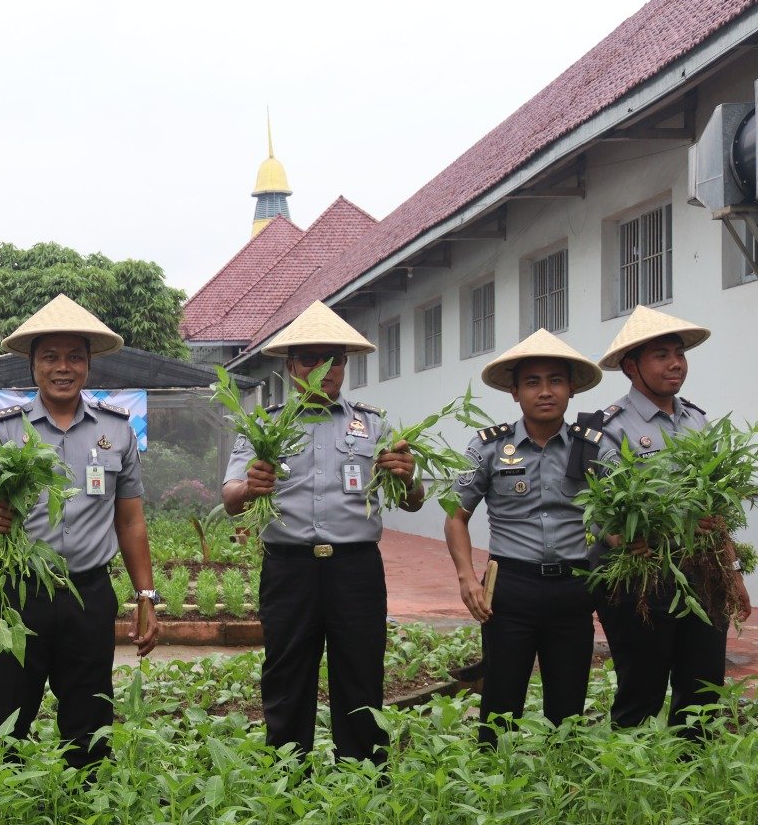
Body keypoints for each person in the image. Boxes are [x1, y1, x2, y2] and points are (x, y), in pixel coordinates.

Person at [0, 294, 159, 770]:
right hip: (18, 596)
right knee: (4, 719)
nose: (62, 367)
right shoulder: (1, 429)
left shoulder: (117, 430)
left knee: (89, 722)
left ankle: (84, 816)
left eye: (74, 357)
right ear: (33, 367)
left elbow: (130, 520)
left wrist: (146, 594)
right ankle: (5, 815)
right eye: (50, 357)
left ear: (88, 366)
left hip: (88, 596)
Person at [222, 301, 420, 765]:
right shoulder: (265, 426)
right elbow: (230, 498)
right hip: (289, 571)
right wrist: (251, 487)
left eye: (332, 359)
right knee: (287, 674)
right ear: (291, 367)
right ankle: (288, 774)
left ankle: (365, 773)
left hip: (355, 569)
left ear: (345, 365)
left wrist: (408, 477)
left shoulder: (373, 425)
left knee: (361, 671)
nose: (321, 369)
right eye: (309, 359)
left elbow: (413, 499)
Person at [593, 306, 752, 732]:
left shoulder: (697, 421)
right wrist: (621, 541)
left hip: (702, 576)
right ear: (631, 366)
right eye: (661, 354)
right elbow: (598, 509)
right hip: (644, 579)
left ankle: (693, 780)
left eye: (679, 353)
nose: (676, 363)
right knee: (640, 691)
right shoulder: (606, 429)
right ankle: (629, 779)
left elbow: (714, 510)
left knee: (702, 692)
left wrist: (733, 572)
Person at [444, 329, 604, 745]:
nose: (545, 391)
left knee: (568, 704)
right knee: (500, 699)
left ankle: (564, 782)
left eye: (556, 380)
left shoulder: (593, 449)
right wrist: (465, 576)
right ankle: (492, 783)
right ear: (515, 392)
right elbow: (455, 516)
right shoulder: (487, 449)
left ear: (571, 390)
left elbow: (613, 520)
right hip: (510, 591)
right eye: (533, 382)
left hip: (574, 587)